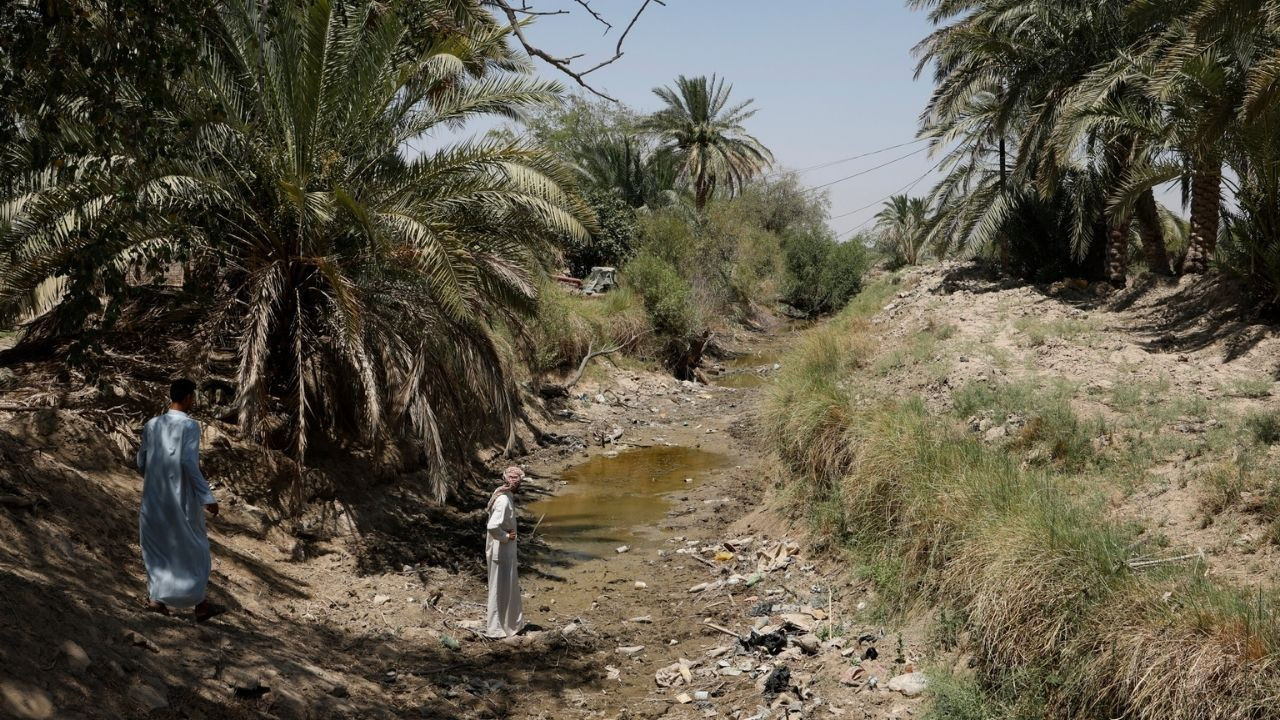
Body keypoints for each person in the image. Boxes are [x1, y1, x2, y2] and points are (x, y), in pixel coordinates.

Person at [137, 378, 220, 621]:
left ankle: (157, 600)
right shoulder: (190, 426)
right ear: (187, 398)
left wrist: (154, 477)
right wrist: (207, 496)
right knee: (194, 547)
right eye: (193, 396)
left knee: (157, 547)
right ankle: (200, 604)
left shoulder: (152, 424)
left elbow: (141, 460)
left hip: (154, 497)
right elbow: (188, 463)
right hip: (181, 498)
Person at [485, 466, 525, 638]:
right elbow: (492, 526)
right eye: (520, 482)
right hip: (501, 552)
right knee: (500, 590)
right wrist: (506, 536)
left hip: (503, 550)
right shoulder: (503, 500)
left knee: (505, 588)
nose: (520, 485)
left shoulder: (504, 495)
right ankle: (496, 630)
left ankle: (509, 626)